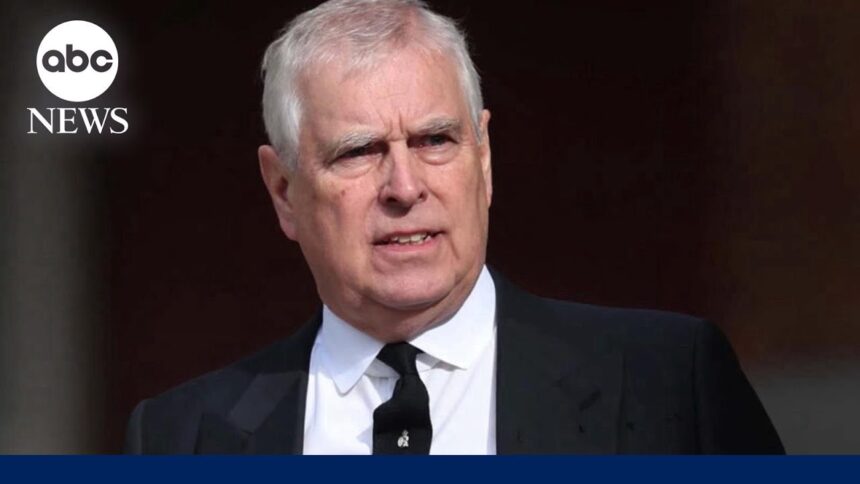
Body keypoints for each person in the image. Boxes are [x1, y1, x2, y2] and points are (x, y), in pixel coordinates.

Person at [124, 0, 784, 454]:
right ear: (283, 191)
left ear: (484, 159)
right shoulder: (181, 438)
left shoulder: (666, 384)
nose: (405, 187)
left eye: (435, 140)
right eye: (359, 152)